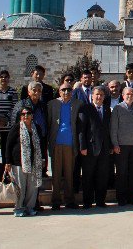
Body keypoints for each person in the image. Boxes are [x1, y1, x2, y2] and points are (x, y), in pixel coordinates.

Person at [47, 82, 82, 210]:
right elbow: (49, 123)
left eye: (69, 90)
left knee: (69, 174)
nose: (66, 92)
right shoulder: (52, 104)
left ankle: (69, 200)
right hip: (56, 143)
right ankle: (55, 201)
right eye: (63, 90)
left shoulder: (77, 104)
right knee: (56, 174)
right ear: (59, 91)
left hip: (70, 143)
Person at [4, 106, 43, 217]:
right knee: (20, 187)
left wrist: (43, 158)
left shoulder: (37, 128)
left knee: (32, 187)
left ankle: (30, 207)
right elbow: (8, 145)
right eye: (23, 114)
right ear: (20, 116)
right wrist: (8, 161)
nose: (26, 116)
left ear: (32, 115)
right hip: (18, 163)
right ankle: (19, 208)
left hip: (34, 162)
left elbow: (42, 144)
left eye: (28, 113)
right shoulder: (16, 128)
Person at [110, 87, 133, 205]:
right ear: (123, 95)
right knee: (121, 173)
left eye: (132, 94)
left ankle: (132, 197)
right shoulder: (117, 108)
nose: (129, 96)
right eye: (127, 94)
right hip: (121, 146)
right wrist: (115, 144)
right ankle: (121, 198)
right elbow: (113, 128)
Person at [78, 86, 112, 208]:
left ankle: (100, 201)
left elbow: (109, 129)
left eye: (101, 95)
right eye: (97, 94)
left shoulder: (107, 109)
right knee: (88, 175)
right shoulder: (85, 109)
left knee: (102, 175)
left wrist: (111, 146)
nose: (99, 97)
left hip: (104, 147)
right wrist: (82, 146)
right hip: (90, 148)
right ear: (92, 95)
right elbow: (81, 129)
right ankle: (87, 202)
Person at [11, 81, 49, 177]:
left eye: (39, 91)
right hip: (25, 140)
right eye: (34, 90)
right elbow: (14, 123)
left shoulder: (43, 106)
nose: (37, 93)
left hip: (40, 139)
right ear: (28, 92)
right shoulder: (21, 105)